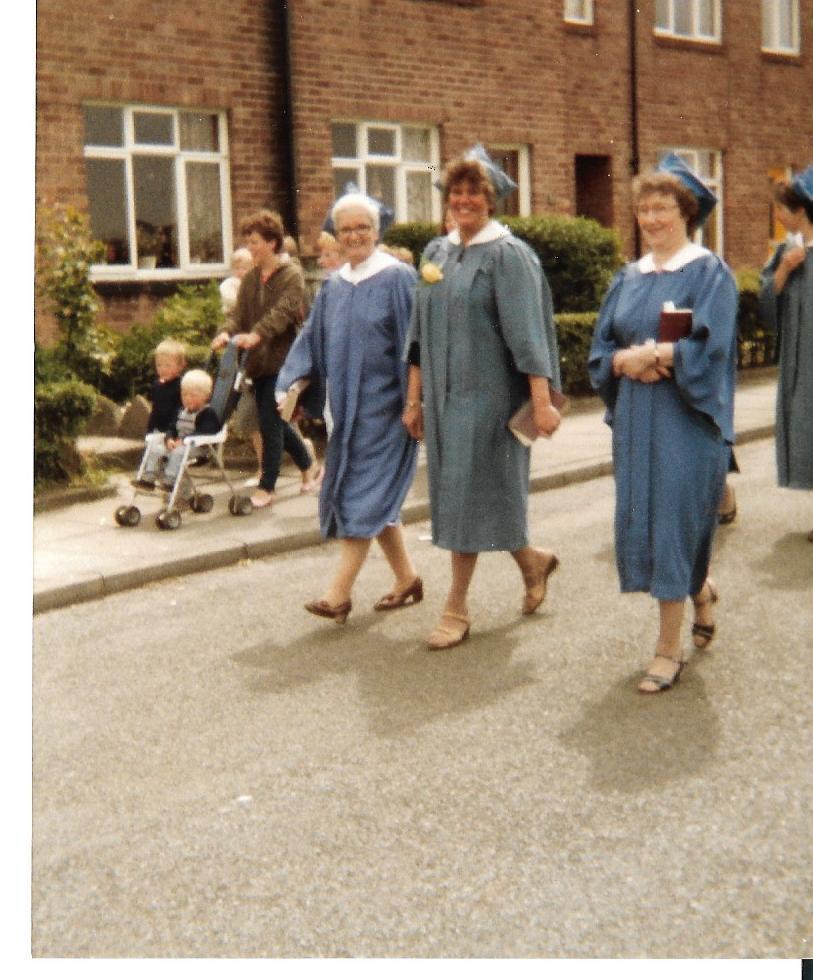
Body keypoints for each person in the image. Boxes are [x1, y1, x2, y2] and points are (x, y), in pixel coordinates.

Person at [588, 153, 738, 693]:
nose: (651, 219)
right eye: (643, 209)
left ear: (686, 213)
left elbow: (712, 344)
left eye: (662, 209)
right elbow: (601, 347)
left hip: (687, 419)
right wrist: (624, 363)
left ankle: (666, 650)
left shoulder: (708, 272)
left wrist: (655, 356)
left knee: (673, 520)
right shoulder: (627, 278)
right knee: (651, 522)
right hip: (636, 417)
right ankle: (698, 593)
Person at [403, 150, 563, 651]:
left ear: (492, 201)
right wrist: (415, 402)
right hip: (446, 401)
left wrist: (542, 403)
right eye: (457, 191)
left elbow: (528, 336)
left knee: (467, 492)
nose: (464, 200)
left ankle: (456, 607)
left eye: (475, 192)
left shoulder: (507, 255)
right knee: (464, 493)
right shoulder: (436, 252)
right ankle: (532, 561)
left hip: (491, 398)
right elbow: (417, 338)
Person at [276, 192, 421, 624]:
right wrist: (291, 383)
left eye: (363, 227)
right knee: (370, 497)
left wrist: (416, 403)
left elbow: (418, 346)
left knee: (361, 497)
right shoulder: (336, 287)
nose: (354, 236)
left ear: (377, 232)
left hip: (391, 411)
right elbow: (311, 342)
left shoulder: (399, 278)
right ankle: (407, 578)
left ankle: (337, 594)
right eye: (346, 230)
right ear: (336, 237)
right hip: (347, 416)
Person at [211, 210, 320, 509]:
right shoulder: (250, 280)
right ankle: (309, 467)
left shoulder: (292, 275)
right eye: (248, 241)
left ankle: (267, 486)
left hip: (285, 362)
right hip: (257, 363)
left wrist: (256, 335)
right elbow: (238, 317)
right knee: (274, 420)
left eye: (256, 241)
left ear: (273, 243)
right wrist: (226, 334)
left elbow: (283, 312)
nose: (250, 247)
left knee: (270, 422)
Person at [759, 166, 813, 541]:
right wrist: (783, 270)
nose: (777, 215)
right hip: (800, 361)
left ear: (800, 210)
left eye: (781, 208)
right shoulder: (787, 252)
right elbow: (765, 308)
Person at [140, 369, 221, 490]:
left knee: (178, 452)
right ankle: (149, 477)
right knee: (155, 447)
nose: (188, 398)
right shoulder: (180, 411)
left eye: (193, 395)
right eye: (184, 394)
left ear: (206, 396)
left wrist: (184, 440)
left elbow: (206, 431)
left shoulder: (207, 413)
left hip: (199, 448)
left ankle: (170, 480)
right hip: (179, 444)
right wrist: (169, 439)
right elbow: (172, 428)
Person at [131, 338, 186, 490]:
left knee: (168, 453)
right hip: (161, 430)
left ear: (180, 366)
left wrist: (171, 433)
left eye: (168, 365)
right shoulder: (157, 385)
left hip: (175, 430)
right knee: (153, 449)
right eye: (159, 365)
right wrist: (150, 429)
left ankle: (171, 483)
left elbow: (179, 412)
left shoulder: (181, 386)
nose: (163, 369)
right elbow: (155, 409)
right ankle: (148, 479)